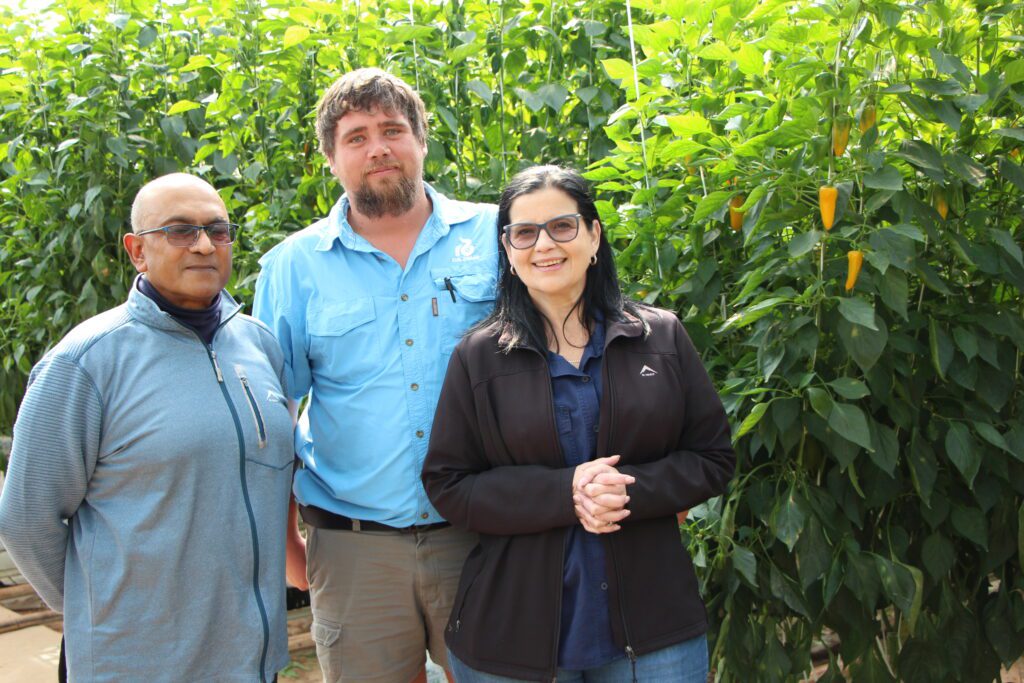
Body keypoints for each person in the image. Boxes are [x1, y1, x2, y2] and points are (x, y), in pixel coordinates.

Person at [422, 165, 736, 682]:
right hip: (515, 629)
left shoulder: (659, 336)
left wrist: (626, 490)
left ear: (594, 236)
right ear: (508, 251)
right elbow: (448, 484)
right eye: (524, 232)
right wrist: (566, 492)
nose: (544, 244)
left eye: (562, 226)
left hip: (654, 621)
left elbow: (713, 458)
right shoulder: (478, 357)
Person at [253, 68, 497, 683]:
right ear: (331, 157)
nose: (378, 147)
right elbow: (271, 412)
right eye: (356, 136)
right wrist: (287, 550)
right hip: (354, 545)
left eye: (393, 130)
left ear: (421, 140)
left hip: (487, 536)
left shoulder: (497, 238)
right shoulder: (292, 267)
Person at [0, 173, 294, 681]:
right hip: (134, 664)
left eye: (218, 230)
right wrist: (107, 612)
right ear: (137, 251)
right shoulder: (85, 363)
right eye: (180, 231)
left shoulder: (259, 346)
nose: (203, 245)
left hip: (250, 661)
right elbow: (27, 521)